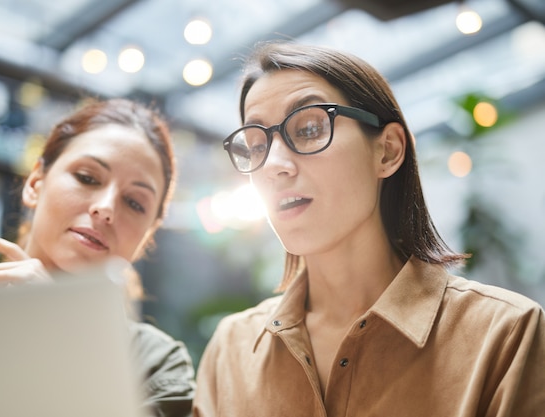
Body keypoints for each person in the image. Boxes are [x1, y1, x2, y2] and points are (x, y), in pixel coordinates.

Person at [192, 41, 545, 417]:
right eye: (255, 145)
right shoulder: (230, 349)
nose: (274, 164)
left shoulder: (504, 334)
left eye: (309, 128)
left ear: (388, 150)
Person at [0, 98, 195, 417]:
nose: (105, 208)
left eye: (134, 203)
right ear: (35, 183)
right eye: (87, 177)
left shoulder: (158, 363)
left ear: (148, 234)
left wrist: (61, 337)